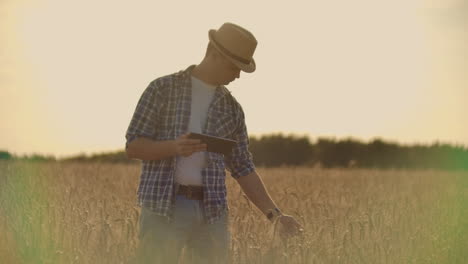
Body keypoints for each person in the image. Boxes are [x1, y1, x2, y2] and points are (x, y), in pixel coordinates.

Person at [125, 22, 304, 264]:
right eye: (235, 66)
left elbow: (243, 167)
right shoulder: (161, 89)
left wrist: (275, 215)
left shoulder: (232, 109)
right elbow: (133, 146)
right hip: (163, 209)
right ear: (214, 54)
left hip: (213, 213)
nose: (238, 75)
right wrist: (173, 147)